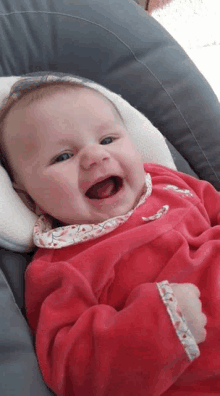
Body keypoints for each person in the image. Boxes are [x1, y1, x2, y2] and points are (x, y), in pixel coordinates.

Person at [1, 79, 218, 396]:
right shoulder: (62, 266)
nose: (94, 156)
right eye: (63, 157)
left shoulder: (165, 181)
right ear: (28, 196)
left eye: (107, 139)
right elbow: (72, 370)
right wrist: (162, 323)